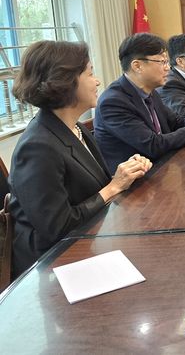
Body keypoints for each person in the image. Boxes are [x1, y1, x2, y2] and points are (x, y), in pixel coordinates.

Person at [8, 40, 152, 277]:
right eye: (90, 74)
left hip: (88, 240)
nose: (97, 81)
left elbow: (93, 186)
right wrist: (113, 187)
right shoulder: (37, 146)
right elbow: (56, 227)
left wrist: (126, 174)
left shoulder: (74, 127)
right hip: (51, 264)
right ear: (64, 81)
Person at [94, 33, 185, 171]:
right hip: (134, 184)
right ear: (137, 66)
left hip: (161, 169)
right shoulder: (113, 102)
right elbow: (153, 145)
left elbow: (176, 121)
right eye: (162, 62)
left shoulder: (150, 90)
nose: (168, 68)